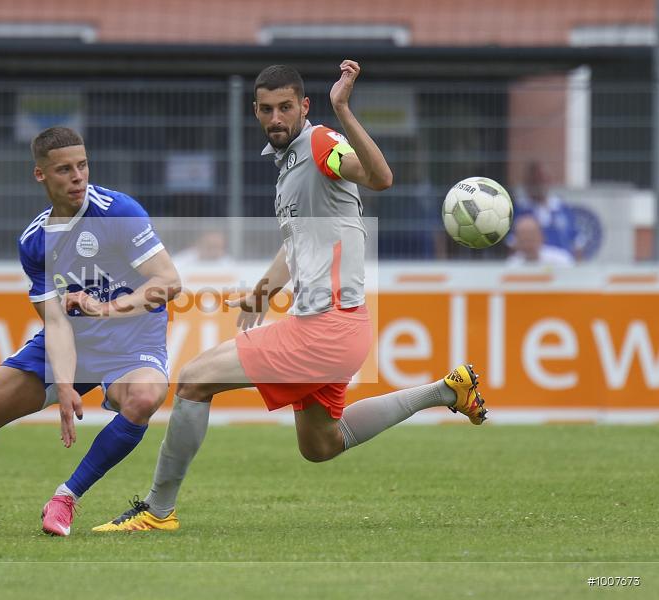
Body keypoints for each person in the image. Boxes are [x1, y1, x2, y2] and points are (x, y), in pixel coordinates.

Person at [92, 61, 487, 533]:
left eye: (285, 108)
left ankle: (157, 511)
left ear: (304, 106)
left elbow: (380, 178)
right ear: (255, 111)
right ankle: (446, 390)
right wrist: (263, 292)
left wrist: (342, 108)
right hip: (338, 327)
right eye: (266, 110)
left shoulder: (320, 144)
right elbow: (297, 241)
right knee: (320, 445)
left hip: (327, 327)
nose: (275, 118)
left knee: (194, 380)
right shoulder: (290, 163)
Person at [0, 127, 181, 538]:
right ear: (41, 175)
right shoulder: (35, 240)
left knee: (145, 397)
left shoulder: (119, 212)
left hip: (131, 340)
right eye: (64, 169)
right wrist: (63, 385)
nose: (78, 177)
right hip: (73, 338)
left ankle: (65, 498)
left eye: (83, 166)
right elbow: (56, 320)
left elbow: (168, 281)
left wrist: (107, 308)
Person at [514, 162, 584, 260]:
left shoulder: (562, 207)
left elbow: (577, 242)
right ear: (527, 184)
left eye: (542, 180)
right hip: (532, 265)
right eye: (534, 181)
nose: (539, 185)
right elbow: (512, 245)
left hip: (563, 265)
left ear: (549, 180)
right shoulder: (520, 210)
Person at [506, 214, 574, 267]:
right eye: (523, 240)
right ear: (517, 242)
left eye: (531, 239)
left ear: (541, 237)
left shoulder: (561, 260)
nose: (528, 245)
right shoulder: (511, 265)